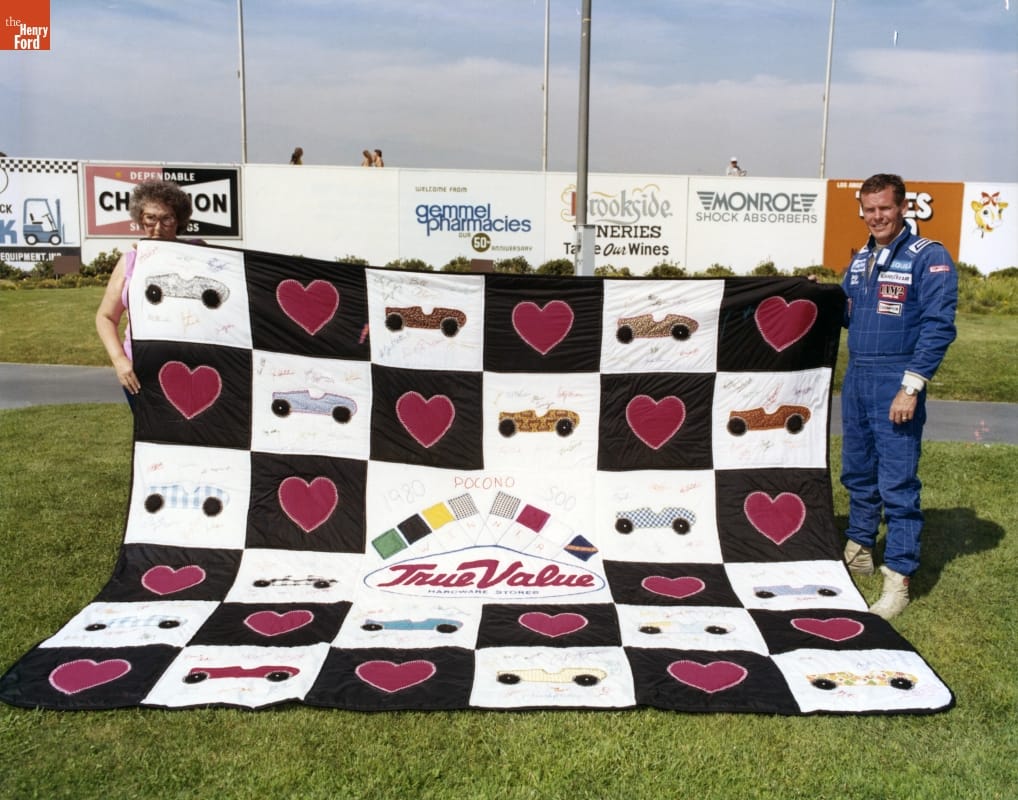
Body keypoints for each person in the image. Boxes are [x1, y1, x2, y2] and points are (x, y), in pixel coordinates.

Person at [839, 173, 958, 620]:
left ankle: (899, 578)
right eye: (869, 210)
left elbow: (939, 326)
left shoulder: (929, 256)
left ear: (903, 208)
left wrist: (911, 386)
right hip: (857, 379)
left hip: (897, 380)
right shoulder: (860, 260)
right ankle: (860, 547)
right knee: (857, 471)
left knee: (898, 484)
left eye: (884, 208)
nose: (876, 217)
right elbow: (847, 314)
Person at [95, 180, 195, 410]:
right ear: (140, 218)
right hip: (140, 372)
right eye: (151, 218)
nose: (158, 227)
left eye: (166, 218)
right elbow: (105, 317)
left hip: (189, 367)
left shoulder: (196, 255)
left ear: (179, 220)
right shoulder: (129, 261)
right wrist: (120, 361)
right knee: (150, 442)